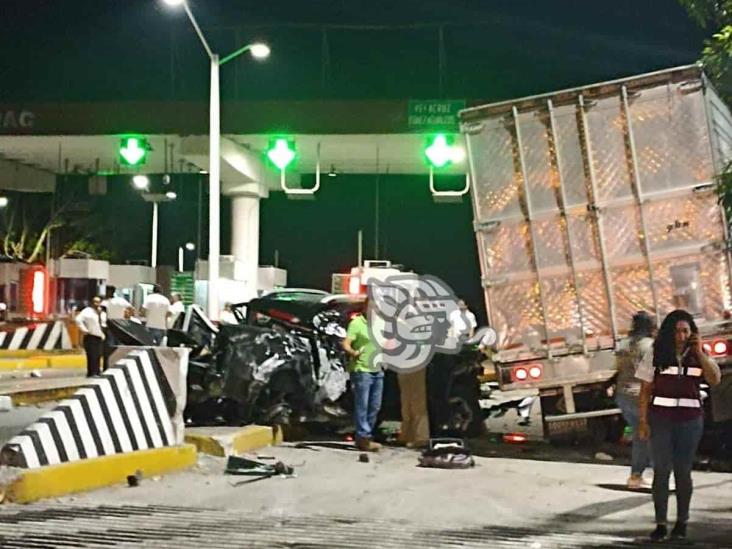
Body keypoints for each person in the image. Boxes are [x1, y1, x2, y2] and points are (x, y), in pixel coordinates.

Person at [637, 309, 721, 542]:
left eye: (686, 331)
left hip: (690, 421)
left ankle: (681, 522)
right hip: (660, 419)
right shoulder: (655, 354)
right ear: (668, 332)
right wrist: (643, 422)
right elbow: (644, 391)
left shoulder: (699, 354)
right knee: (662, 470)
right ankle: (661, 524)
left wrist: (700, 351)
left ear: (692, 333)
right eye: (677, 331)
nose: (681, 336)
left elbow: (714, 379)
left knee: (683, 472)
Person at [615, 311, 655, 489]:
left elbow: (617, 369)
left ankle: (636, 476)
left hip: (623, 396)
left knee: (641, 435)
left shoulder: (624, 345)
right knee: (652, 435)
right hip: (640, 396)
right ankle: (653, 475)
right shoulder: (650, 346)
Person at [343, 299, 383, 452]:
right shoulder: (357, 323)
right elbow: (346, 342)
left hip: (377, 369)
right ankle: (363, 437)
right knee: (362, 404)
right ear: (365, 308)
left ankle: (365, 435)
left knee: (375, 405)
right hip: (362, 369)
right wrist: (353, 352)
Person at [101, 285, 133, 371]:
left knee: (109, 348)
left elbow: (102, 315)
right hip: (121, 327)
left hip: (110, 327)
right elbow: (131, 308)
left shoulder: (105, 302)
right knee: (119, 347)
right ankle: (118, 365)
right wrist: (127, 318)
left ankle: (108, 366)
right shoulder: (121, 300)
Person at [75, 296, 105, 377]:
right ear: (92, 303)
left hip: (99, 337)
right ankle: (92, 372)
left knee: (98, 355)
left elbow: (103, 324)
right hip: (91, 336)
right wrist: (84, 329)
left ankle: (97, 371)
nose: (97, 304)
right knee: (92, 355)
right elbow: (78, 320)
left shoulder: (101, 313)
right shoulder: (87, 311)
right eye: (95, 302)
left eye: (98, 302)